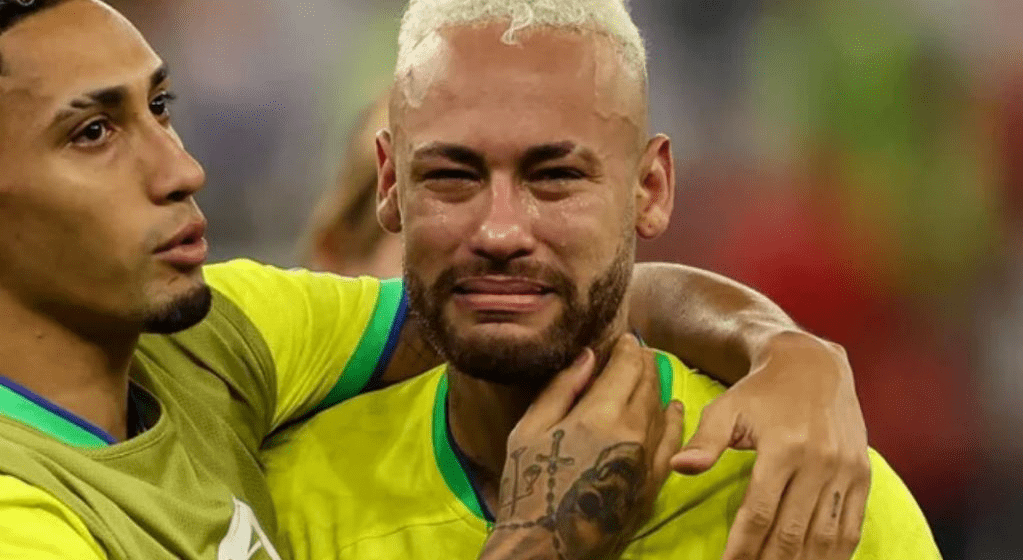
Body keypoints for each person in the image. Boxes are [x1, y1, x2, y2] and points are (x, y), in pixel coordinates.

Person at [0, 0, 870, 558]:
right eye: (92, 133)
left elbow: (534, 296)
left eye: (159, 108)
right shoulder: (22, 516)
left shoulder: (214, 341)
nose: (182, 169)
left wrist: (784, 351)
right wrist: (540, 540)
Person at [264, 1, 941, 559]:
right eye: (452, 175)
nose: (500, 231)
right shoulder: (288, 507)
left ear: (651, 188)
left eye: (555, 176)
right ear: (390, 183)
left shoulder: (817, 502)